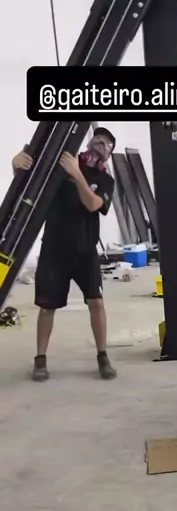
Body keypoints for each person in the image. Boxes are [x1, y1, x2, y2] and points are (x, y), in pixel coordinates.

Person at [12, 127, 117, 382]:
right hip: (54, 249)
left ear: (109, 154)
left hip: (85, 252)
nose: (101, 144)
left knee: (96, 302)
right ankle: (40, 359)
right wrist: (17, 165)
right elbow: (32, 186)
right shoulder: (62, 163)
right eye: (98, 139)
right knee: (47, 307)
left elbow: (92, 204)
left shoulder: (106, 180)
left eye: (107, 144)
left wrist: (77, 175)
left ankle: (103, 356)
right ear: (89, 142)